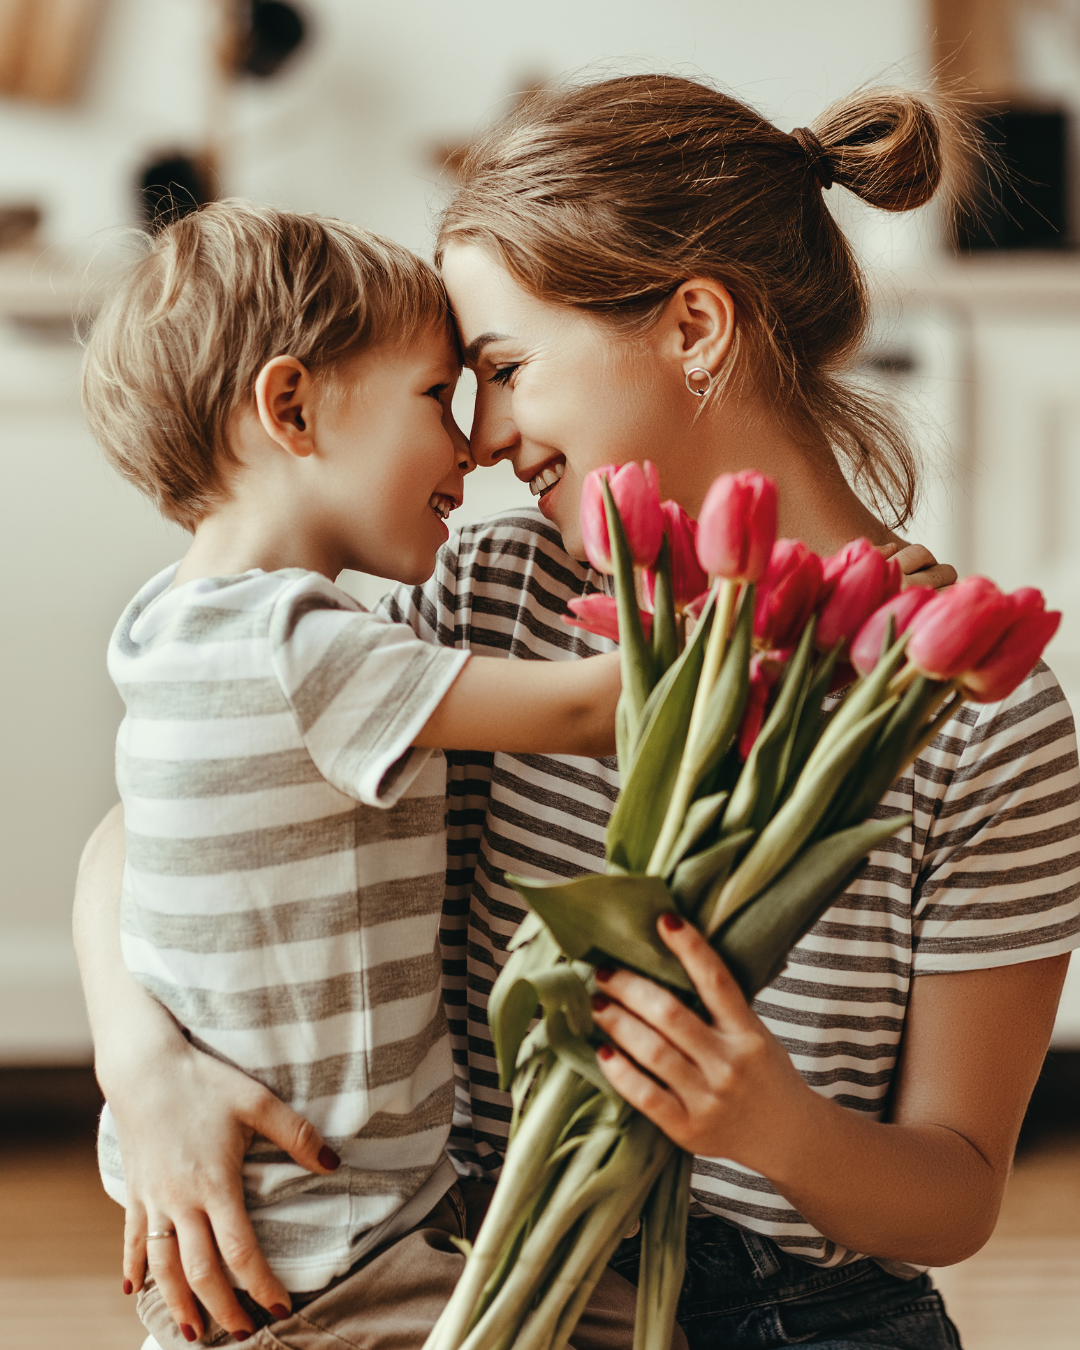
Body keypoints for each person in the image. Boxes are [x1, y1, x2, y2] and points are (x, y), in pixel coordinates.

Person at [73, 76, 1080, 1350]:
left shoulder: (976, 717)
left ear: (697, 326)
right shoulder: (495, 591)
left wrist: (768, 1121)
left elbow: (955, 1197)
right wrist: (142, 1067)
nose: (481, 438)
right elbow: (169, 816)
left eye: (500, 368)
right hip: (477, 1273)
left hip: (795, 1315)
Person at [78, 200, 641, 1350]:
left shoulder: (169, 623)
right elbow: (596, 709)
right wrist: (824, 608)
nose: (471, 445)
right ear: (291, 407)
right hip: (329, 1250)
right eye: (438, 396)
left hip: (293, 1224)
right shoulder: (302, 649)